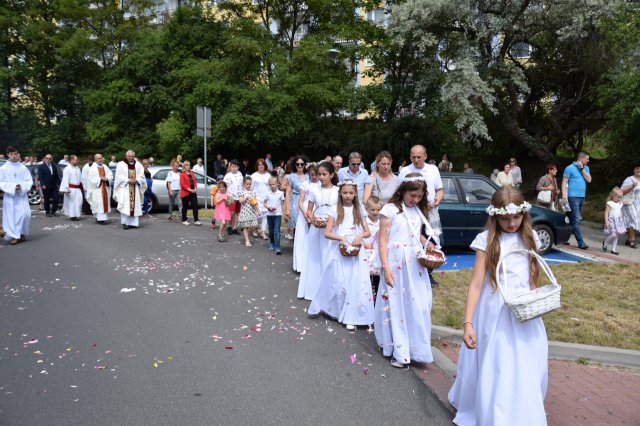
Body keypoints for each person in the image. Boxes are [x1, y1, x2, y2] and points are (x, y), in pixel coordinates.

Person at [448, 186, 547, 426]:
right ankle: (497, 411)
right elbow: (475, 284)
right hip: (496, 309)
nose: (512, 223)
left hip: (524, 308)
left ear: (523, 214)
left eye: (516, 217)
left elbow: (533, 275)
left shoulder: (529, 237)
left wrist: (536, 300)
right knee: (499, 360)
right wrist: (468, 322)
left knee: (527, 358)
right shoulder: (487, 241)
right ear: (495, 217)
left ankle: (521, 407)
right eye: (505, 219)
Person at [374, 173, 435, 368]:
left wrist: (427, 243)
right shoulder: (390, 210)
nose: (415, 200)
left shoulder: (417, 211)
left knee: (419, 304)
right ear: (402, 191)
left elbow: (416, 235)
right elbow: (382, 242)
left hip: (414, 262)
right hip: (395, 261)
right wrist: (386, 267)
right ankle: (398, 349)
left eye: (419, 196)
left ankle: (416, 348)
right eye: (412, 196)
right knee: (396, 304)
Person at [308, 180, 373, 330]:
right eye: (345, 193)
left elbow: (367, 231)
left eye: (351, 193)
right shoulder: (334, 210)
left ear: (356, 193)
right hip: (340, 249)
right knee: (340, 282)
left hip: (356, 250)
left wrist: (360, 236)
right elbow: (327, 232)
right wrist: (341, 238)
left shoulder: (360, 210)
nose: (348, 196)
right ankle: (337, 310)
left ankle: (352, 315)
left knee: (356, 283)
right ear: (340, 193)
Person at [397, 145, 445, 286]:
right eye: (413, 157)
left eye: (419, 157)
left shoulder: (433, 169)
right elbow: (400, 191)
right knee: (416, 241)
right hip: (413, 213)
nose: (416, 160)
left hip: (431, 214)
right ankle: (413, 271)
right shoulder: (405, 171)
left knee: (434, 242)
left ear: (425, 156)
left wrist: (437, 200)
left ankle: (428, 273)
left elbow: (440, 190)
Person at [297, 161, 339, 300]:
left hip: (331, 228)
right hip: (317, 228)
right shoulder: (314, 190)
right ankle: (312, 290)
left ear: (332, 175)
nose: (321, 177)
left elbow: (340, 211)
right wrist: (313, 220)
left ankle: (328, 291)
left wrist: (331, 222)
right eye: (319, 174)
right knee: (315, 258)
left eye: (324, 174)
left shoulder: (338, 191)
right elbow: (309, 210)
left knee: (329, 258)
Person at [0, 146, 32, 245]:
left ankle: (22, 233)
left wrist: (21, 186)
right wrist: (13, 187)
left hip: (22, 196)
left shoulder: (23, 167)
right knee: (13, 217)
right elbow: (1, 182)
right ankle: (15, 236)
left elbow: (28, 180)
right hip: (11, 197)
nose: (14, 156)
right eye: (12, 154)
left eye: (15, 154)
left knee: (25, 215)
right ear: (8, 155)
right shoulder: (3, 168)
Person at [560, 151, 592, 249]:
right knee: (576, 220)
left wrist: (582, 169)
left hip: (582, 196)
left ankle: (562, 238)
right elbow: (564, 183)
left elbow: (589, 180)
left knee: (570, 219)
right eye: (587, 159)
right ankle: (580, 242)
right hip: (572, 197)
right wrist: (564, 196)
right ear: (581, 159)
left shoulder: (586, 168)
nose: (588, 160)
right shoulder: (569, 168)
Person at [293, 163, 320, 272]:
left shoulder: (320, 185)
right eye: (312, 175)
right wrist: (304, 213)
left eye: (316, 175)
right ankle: (300, 265)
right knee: (302, 237)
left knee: (314, 236)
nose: (314, 177)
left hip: (316, 210)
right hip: (305, 209)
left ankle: (313, 265)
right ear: (309, 174)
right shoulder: (305, 184)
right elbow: (300, 200)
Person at [113, 150, 146, 229]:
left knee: (134, 206)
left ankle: (133, 224)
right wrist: (128, 180)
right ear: (126, 156)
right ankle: (125, 223)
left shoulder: (138, 165)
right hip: (125, 188)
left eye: (132, 156)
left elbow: (142, 176)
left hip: (135, 188)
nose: (131, 158)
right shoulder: (121, 164)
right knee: (126, 206)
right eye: (129, 156)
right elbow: (118, 176)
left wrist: (137, 180)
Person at [284, 155, 309, 241]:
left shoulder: (309, 176)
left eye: (302, 164)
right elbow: (287, 193)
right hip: (295, 203)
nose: (300, 166)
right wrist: (287, 208)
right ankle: (296, 248)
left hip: (307, 201)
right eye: (297, 164)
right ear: (294, 165)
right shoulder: (291, 177)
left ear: (305, 165)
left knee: (306, 224)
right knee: (296, 226)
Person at [363, 196, 383, 295]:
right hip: (366, 252)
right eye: (373, 210)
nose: (376, 212)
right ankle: (367, 293)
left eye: (378, 210)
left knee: (377, 274)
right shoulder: (364, 221)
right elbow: (358, 235)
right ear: (367, 209)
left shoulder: (382, 222)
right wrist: (364, 244)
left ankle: (377, 293)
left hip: (377, 252)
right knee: (365, 275)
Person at [86, 153, 113, 224]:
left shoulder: (105, 166)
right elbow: (91, 179)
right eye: (99, 158)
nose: (101, 159)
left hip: (105, 188)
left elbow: (110, 175)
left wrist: (107, 178)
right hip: (97, 189)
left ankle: (102, 218)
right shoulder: (92, 168)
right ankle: (99, 219)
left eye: (101, 158)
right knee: (98, 203)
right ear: (95, 159)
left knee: (103, 203)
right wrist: (100, 179)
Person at [621, 164, 640, 249]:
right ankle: (632, 240)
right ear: (634, 170)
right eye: (637, 169)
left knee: (636, 220)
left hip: (638, 204)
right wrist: (632, 186)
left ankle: (629, 239)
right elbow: (621, 191)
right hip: (630, 202)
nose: (639, 171)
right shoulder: (629, 179)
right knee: (633, 218)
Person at [251, 159, 271, 240]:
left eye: (262, 165)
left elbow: (270, 186)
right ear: (257, 166)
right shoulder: (253, 175)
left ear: (265, 166)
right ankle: (255, 229)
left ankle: (263, 232)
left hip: (266, 198)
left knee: (265, 216)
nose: (261, 166)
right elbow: (251, 188)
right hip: (257, 198)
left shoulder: (268, 175)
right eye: (259, 165)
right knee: (257, 215)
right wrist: (252, 198)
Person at [59, 155, 84, 221]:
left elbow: (81, 178)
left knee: (79, 202)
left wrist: (83, 186)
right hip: (71, 189)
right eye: (76, 160)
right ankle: (72, 216)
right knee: (72, 203)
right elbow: (65, 179)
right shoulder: (67, 169)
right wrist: (66, 189)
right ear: (71, 160)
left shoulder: (77, 168)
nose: (77, 161)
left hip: (78, 188)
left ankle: (77, 214)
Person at [237, 176, 260, 247]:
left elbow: (255, 202)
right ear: (243, 184)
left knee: (255, 225)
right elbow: (241, 201)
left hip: (252, 212)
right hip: (245, 212)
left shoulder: (253, 192)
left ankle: (247, 236)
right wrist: (246, 197)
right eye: (247, 184)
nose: (248, 185)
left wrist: (258, 210)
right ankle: (247, 240)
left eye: (250, 184)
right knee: (246, 227)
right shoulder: (242, 192)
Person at [265, 176, 285, 254]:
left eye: (273, 184)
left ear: (277, 184)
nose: (272, 186)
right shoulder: (267, 193)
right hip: (269, 215)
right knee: (270, 231)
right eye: (270, 185)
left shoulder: (280, 193)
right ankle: (272, 243)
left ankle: (277, 247)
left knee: (277, 231)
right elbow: (264, 203)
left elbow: (282, 204)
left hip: (277, 215)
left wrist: (284, 214)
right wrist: (268, 207)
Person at [603, 187, 626, 255]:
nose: (619, 199)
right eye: (618, 197)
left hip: (618, 221)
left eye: (620, 197)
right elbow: (606, 212)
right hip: (612, 221)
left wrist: (621, 216)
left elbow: (620, 211)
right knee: (613, 235)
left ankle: (613, 249)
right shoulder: (610, 203)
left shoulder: (620, 203)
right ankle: (605, 243)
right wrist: (606, 221)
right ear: (613, 196)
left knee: (616, 235)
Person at [224, 159, 244, 235]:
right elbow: (224, 186)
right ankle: (229, 226)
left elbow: (242, 185)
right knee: (231, 213)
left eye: (235, 167)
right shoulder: (227, 176)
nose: (234, 168)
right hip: (230, 196)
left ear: (238, 167)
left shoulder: (240, 174)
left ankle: (234, 228)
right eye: (232, 166)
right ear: (230, 167)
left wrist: (242, 195)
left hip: (239, 196)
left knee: (237, 213)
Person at [180, 160, 201, 226]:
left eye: (188, 165)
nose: (188, 166)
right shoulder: (182, 174)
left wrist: (195, 188)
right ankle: (184, 220)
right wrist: (189, 190)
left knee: (195, 206)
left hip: (193, 192)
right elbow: (182, 184)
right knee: (185, 207)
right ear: (184, 166)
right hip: (186, 193)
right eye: (186, 165)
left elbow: (194, 182)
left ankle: (196, 220)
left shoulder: (192, 173)